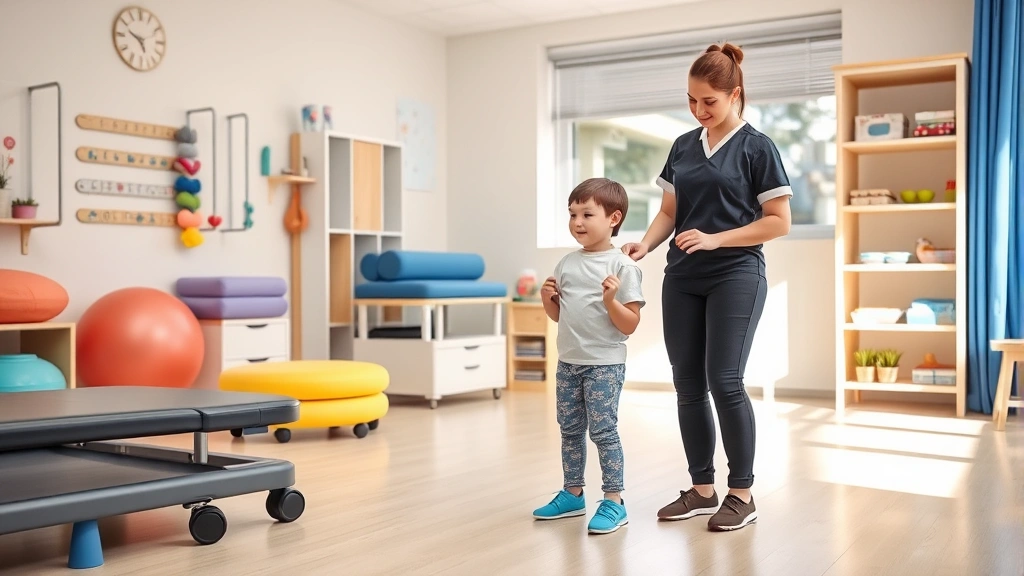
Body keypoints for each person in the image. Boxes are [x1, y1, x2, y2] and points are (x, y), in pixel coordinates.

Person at [621, 42, 792, 532]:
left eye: (709, 102)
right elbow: (670, 213)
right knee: (688, 384)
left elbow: (779, 222)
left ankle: (742, 493)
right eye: (692, 100)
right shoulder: (682, 145)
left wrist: (718, 239)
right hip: (683, 277)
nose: (699, 111)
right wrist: (647, 246)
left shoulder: (757, 147)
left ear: (734, 94)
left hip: (736, 274)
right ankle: (701, 489)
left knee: (726, 381)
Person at [532, 177, 646, 535]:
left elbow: (630, 324)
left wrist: (611, 300)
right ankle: (573, 493)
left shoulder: (622, 267)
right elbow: (559, 317)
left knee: (603, 431)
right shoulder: (566, 263)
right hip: (568, 362)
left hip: (604, 366)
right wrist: (547, 299)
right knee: (569, 431)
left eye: (587, 214)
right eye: (572, 214)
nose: (577, 222)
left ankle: (614, 501)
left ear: (614, 218)